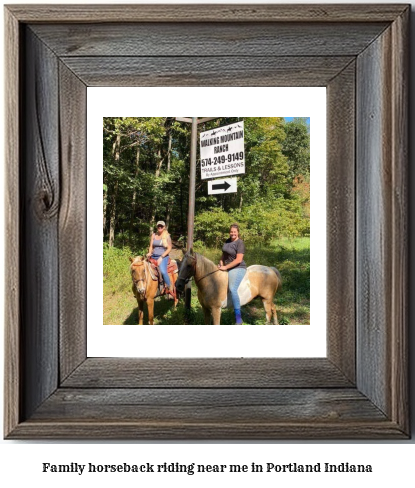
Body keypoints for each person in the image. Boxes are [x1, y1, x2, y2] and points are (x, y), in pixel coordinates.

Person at [218, 224, 247, 325]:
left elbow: (239, 260)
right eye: (231, 232)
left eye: (234, 232)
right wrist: (221, 263)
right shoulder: (227, 241)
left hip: (238, 268)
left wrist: (226, 267)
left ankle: (238, 318)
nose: (233, 233)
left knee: (232, 289)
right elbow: (223, 254)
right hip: (226, 266)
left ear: (238, 232)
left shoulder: (240, 243)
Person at [147, 221, 174, 294]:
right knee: (144, 268)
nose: (160, 227)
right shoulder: (153, 235)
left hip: (163, 256)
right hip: (153, 256)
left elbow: (169, 248)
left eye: (161, 226)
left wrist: (161, 257)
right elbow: (151, 246)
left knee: (163, 271)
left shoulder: (167, 236)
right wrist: (149, 253)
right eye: (158, 226)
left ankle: (169, 287)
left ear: (164, 227)